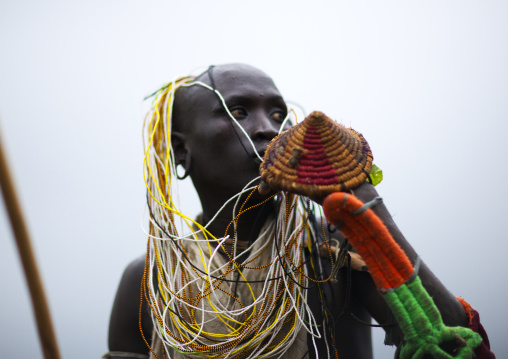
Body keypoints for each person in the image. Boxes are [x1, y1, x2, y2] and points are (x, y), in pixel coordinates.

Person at [106, 64, 494, 359]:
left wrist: (368, 210)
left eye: (278, 116)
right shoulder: (149, 279)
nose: (267, 130)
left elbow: (457, 345)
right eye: (238, 111)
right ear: (181, 152)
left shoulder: (337, 249)